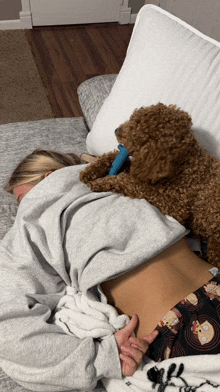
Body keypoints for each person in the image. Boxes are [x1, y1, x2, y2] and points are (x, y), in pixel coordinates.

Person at [1, 149, 220, 390]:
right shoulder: (123, 180)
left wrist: (100, 357)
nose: (18, 214)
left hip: (178, 327)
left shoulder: (32, 219)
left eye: (21, 199)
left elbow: (7, 330)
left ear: (48, 178)